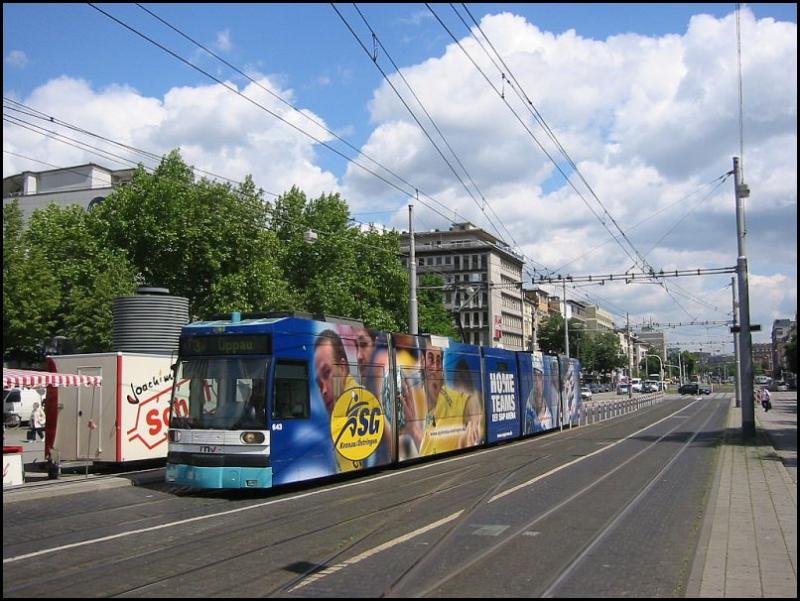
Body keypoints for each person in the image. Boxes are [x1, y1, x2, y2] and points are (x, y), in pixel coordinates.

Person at [400, 341, 483, 457]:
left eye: (438, 361)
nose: (435, 368)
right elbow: (427, 452)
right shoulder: (414, 403)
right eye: (430, 359)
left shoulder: (457, 399)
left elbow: (472, 403)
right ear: (422, 363)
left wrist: (473, 405)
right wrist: (413, 429)